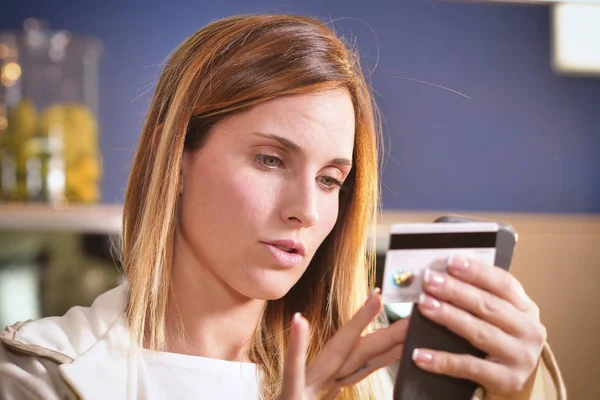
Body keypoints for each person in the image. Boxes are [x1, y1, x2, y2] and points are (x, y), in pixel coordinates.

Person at [0, 14, 565, 400]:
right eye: (271, 160)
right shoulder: (37, 376)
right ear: (175, 161)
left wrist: (520, 388)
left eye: (329, 179)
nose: (306, 210)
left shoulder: (383, 382)